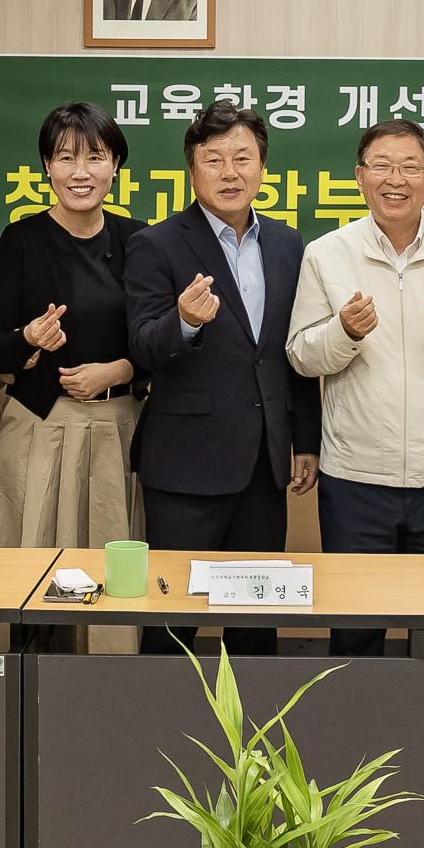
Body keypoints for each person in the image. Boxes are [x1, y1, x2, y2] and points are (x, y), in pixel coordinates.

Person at [288, 118, 424, 657]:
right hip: (357, 480)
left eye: (410, 167)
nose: (396, 179)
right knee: (355, 634)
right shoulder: (326, 253)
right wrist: (343, 332)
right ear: (359, 178)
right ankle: (354, 739)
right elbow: (300, 354)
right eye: (381, 166)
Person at [124, 100, 321, 658]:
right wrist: (183, 322)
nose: (229, 172)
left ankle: (257, 739)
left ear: (263, 167)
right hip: (186, 465)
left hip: (263, 463)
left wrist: (305, 440)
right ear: (192, 170)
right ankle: (157, 732)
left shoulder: (286, 244)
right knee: (171, 621)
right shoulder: (156, 244)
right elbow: (141, 345)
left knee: (258, 617)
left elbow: (290, 352)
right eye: (214, 160)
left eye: (243, 158)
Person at [0, 103, 148, 562]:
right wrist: (28, 338)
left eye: (95, 157)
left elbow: (160, 342)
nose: (81, 171)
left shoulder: (140, 241)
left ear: (115, 166)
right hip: (40, 427)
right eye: (66, 158)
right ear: (47, 168)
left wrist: (119, 370)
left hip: (119, 426)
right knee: (32, 570)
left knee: (110, 570)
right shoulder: (20, 240)